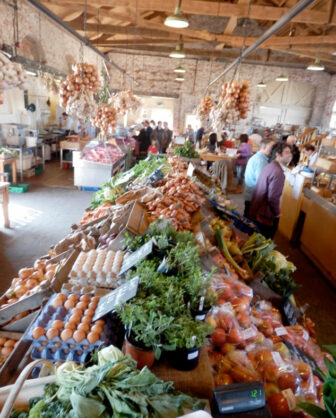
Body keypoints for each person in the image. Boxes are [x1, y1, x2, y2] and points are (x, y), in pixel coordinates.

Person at [249, 142, 292, 239]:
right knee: (264, 243)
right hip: (265, 215)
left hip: (257, 211)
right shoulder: (278, 172)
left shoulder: (270, 166)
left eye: (290, 152)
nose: (290, 155)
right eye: (287, 152)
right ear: (277, 154)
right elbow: (273, 197)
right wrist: (277, 213)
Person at [243, 138, 275, 217]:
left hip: (252, 195)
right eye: (272, 148)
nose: (274, 150)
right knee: (250, 223)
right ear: (264, 147)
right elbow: (262, 182)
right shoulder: (260, 161)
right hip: (254, 197)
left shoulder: (259, 158)